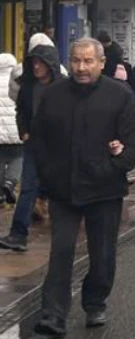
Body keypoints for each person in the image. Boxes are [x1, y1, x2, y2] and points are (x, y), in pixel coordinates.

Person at [31, 38, 135, 338]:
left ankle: (95, 301)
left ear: (101, 62)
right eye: (76, 61)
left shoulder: (119, 95)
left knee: (102, 253)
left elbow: (134, 142)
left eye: (88, 61)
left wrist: (114, 165)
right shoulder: (54, 94)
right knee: (62, 250)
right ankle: (53, 314)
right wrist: (47, 173)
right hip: (62, 188)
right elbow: (39, 138)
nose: (81, 67)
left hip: (104, 189)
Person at [0, 38, 63, 251]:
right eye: (34, 62)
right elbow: (21, 110)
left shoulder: (62, 86)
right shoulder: (28, 86)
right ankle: (18, 234)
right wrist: (24, 131)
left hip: (57, 146)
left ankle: (65, 229)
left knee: (59, 187)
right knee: (28, 188)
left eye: (40, 63)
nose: (36, 67)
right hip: (34, 144)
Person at [0, 54, 21, 205]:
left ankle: (0, 193)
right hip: (15, 127)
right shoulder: (17, 81)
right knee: (18, 156)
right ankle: (10, 182)